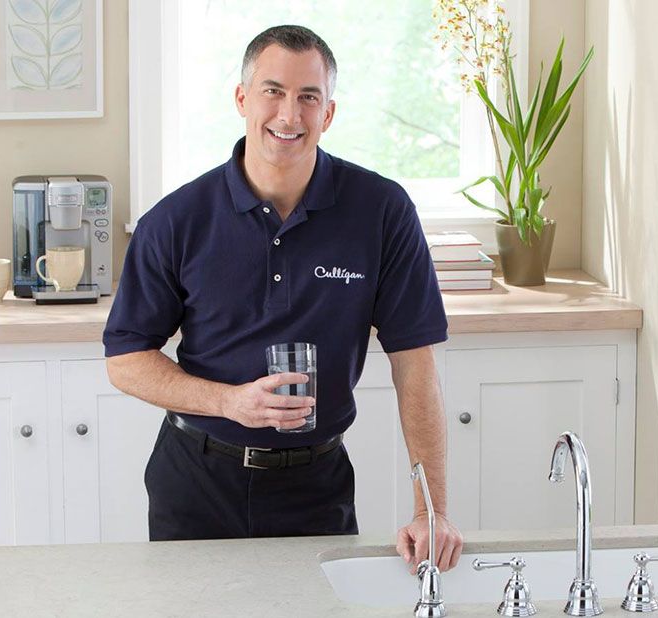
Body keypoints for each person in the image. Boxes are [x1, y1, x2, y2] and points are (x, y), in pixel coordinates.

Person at [103, 25, 463, 574]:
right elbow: (125, 361)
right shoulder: (176, 221)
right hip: (196, 482)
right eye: (273, 91)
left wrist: (431, 511)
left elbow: (415, 366)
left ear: (330, 112)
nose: (289, 115)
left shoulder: (381, 212)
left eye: (308, 97)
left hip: (316, 487)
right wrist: (230, 402)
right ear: (243, 99)